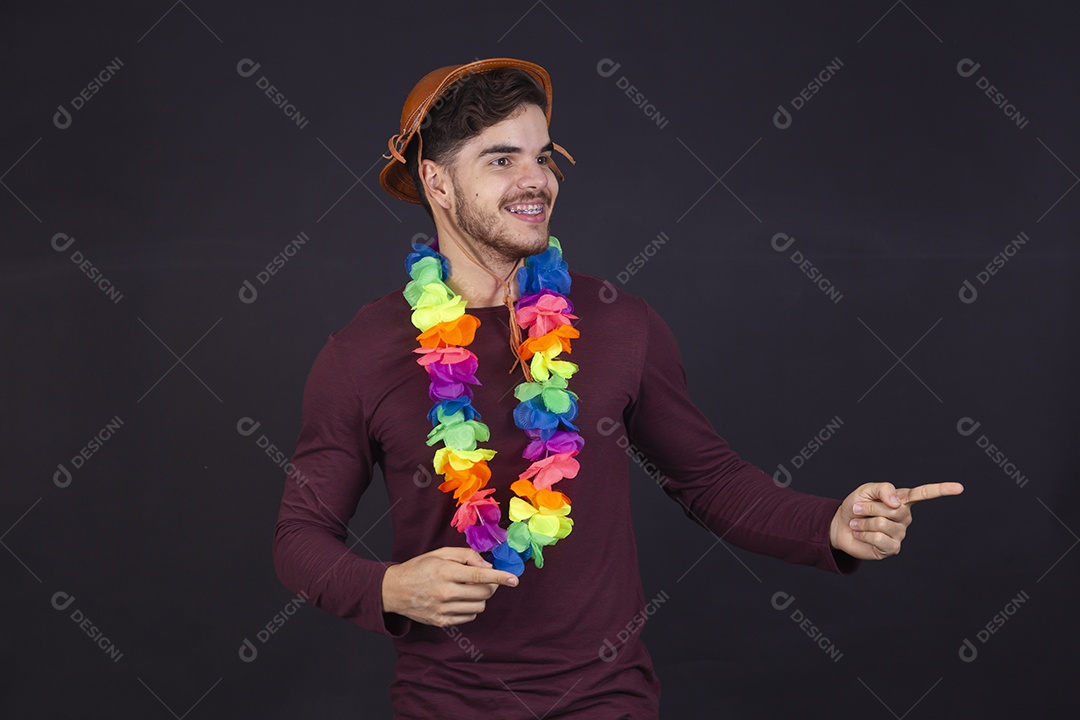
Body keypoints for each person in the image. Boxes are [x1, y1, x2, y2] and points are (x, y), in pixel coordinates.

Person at [272, 57, 963, 718]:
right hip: (445, 705)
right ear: (437, 181)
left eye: (544, 156)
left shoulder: (621, 323)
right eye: (502, 160)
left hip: (606, 701)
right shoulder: (361, 353)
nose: (536, 180)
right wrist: (388, 587)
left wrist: (830, 525)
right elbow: (300, 537)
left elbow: (709, 481)